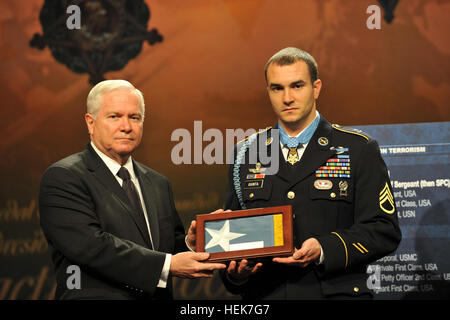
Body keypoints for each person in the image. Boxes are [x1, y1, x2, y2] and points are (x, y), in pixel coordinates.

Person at [221, 47, 402, 299]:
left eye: (297, 86)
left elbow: (384, 230)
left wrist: (324, 248)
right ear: (268, 92)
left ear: (316, 88)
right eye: (277, 88)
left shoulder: (358, 149)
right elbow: (234, 239)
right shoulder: (246, 153)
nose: (287, 98)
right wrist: (236, 275)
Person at [39, 80, 225, 300]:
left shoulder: (158, 183)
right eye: (114, 116)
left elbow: (162, 248)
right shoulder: (64, 176)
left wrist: (190, 244)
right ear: (91, 123)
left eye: (134, 117)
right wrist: (167, 265)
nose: (126, 126)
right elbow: (91, 246)